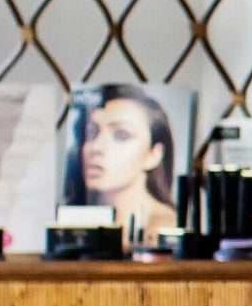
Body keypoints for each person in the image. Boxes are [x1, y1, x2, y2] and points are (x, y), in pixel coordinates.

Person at [68, 86, 183, 243]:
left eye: (121, 135)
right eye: (91, 133)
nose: (96, 148)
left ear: (154, 154)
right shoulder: (72, 221)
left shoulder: (169, 227)